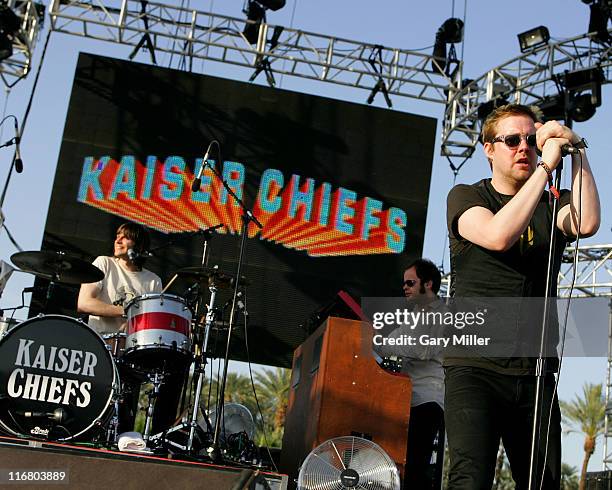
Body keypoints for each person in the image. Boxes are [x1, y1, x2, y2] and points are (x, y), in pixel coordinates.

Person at [445, 104, 600, 488]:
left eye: (531, 140)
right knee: (471, 477)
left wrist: (576, 148)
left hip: (535, 371)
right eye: (512, 140)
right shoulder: (467, 197)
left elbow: (587, 221)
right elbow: (498, 235)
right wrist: (545, 169)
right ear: (488, 148)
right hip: (474, 366)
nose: (524, 149)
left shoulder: (552, 203)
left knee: (542, 482)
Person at [78, 222, 184, 436]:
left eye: (125, 237)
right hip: (98, 346)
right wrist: (126, 311)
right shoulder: (104, 264)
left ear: (139, 246)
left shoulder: (153, 281)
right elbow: (84, 303)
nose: (117, 240)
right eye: (117, 235)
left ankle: (150, 437)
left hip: (129, 354)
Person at [400, 258, 445, 490]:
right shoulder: (415, 314)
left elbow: (423, 349)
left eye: (410, 282)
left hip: (427, 402)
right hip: (407, 400)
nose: (405, 287)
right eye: (404, 283)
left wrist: (379, 342)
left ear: (428, 284)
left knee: (415, 470)